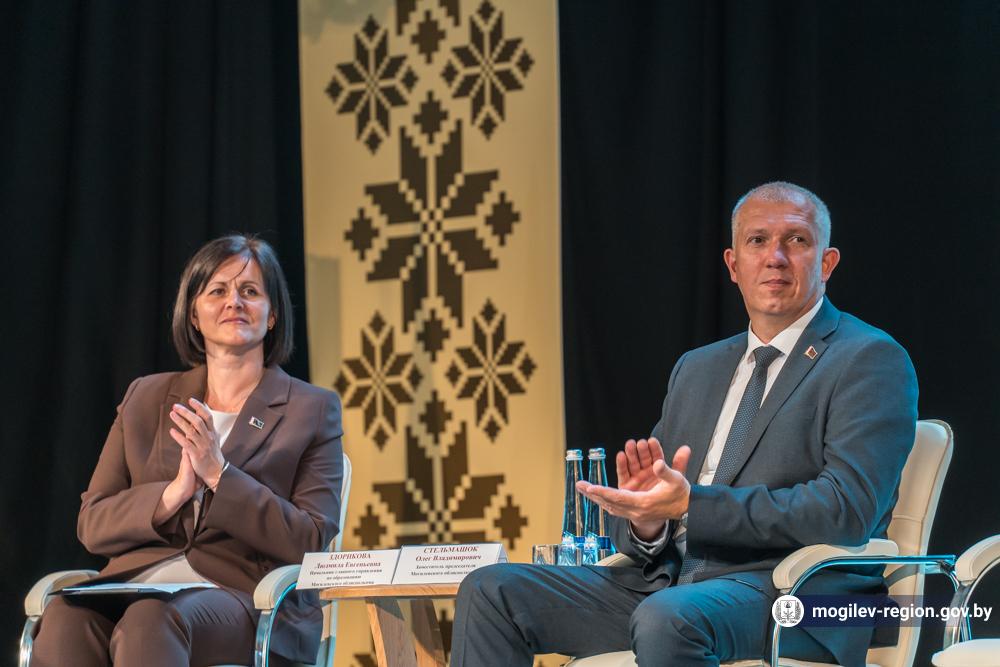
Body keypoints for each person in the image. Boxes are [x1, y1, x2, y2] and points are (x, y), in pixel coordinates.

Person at [450, 182, 918, 667]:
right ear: (733, 265)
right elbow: (660, 505)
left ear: (826, 263)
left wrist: (693, 504)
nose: (775, 258)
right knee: (492, 589)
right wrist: (648, 519)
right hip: (671, 586)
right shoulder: (697, 368)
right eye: (757, 241)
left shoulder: (867, 358)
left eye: (796, 240)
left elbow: (846, 511)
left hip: (796, 594)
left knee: (669, 618)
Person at [30, 235, 344, 666]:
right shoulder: (145, 397)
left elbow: (309, 539)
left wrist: (219, 474)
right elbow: (93, 522)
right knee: (64, 617)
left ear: (272, 315)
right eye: (217, 290)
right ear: (194, 313)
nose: (234, 301)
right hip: (137, 582)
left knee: (150, 619)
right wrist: (171, 495)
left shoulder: (311, 408)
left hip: (245, 598)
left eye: (250, 291)